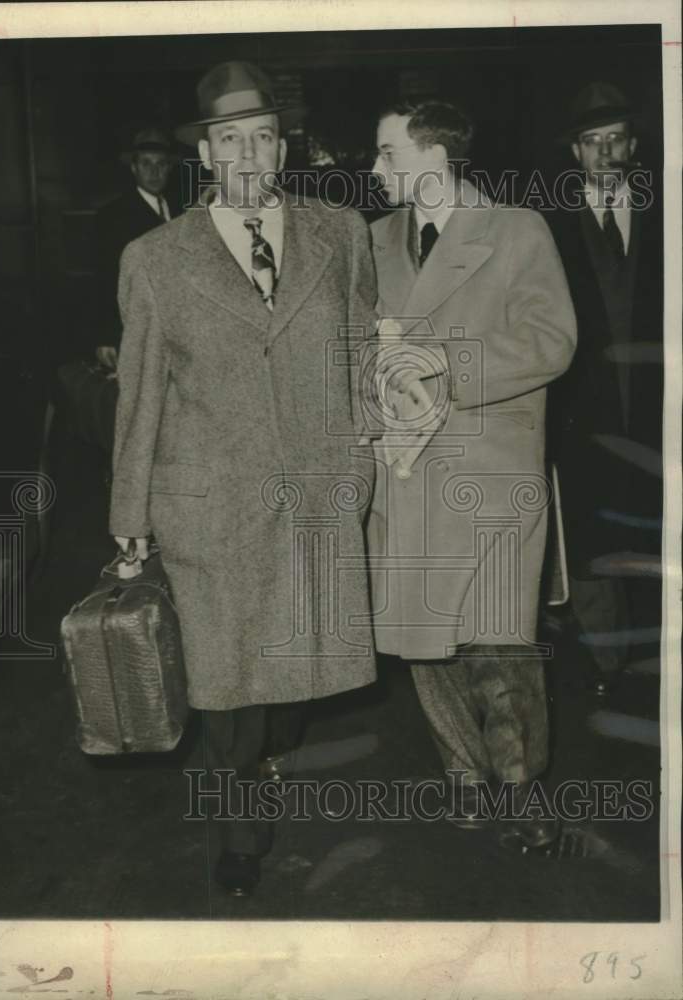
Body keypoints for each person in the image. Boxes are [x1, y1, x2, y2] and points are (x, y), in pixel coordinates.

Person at [109, 61, 378, 896]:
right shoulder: (154, 259)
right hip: (208, 501)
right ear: (207, 152)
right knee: (226, 688)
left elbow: (361, 353)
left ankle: (265, 757)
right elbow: (140, 390)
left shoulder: (340, 234)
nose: (251, 155)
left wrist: (367, 454)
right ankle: (237, 829)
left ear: (282, 146)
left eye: (264, 138)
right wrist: (129, 513)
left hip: (316, 489)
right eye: (232, 140)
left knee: (291, 680)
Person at [365, 99, 577, 850]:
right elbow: (352, 348)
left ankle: (521, 789)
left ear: (431, 158)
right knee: (425, 641)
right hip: (408, 472)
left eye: (386, 153)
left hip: (491, 478)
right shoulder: (372, 241)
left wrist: (444, 365)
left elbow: (551, 342)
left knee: (498, 645)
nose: (374, 168)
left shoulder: (516, 231)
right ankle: (462, 772)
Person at [545, 82, 664, 697]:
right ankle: (606, 672)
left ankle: (653, 659)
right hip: (582, 415)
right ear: (575, 154)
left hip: (655, 412)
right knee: (591, 541)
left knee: (652, 532)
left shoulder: (666, 215)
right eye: (590, 142)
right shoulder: (549, 227)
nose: (604, 152)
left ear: (634, 145)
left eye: (615, 138)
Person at [94, 126, 178, 370]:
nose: (154, 171)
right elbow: (104, 278)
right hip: (136, 330)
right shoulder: (113, 216)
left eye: (161, 164)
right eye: (146, 164)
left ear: (170, 168)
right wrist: (106, 336)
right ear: (133, 168)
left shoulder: (181, 211)